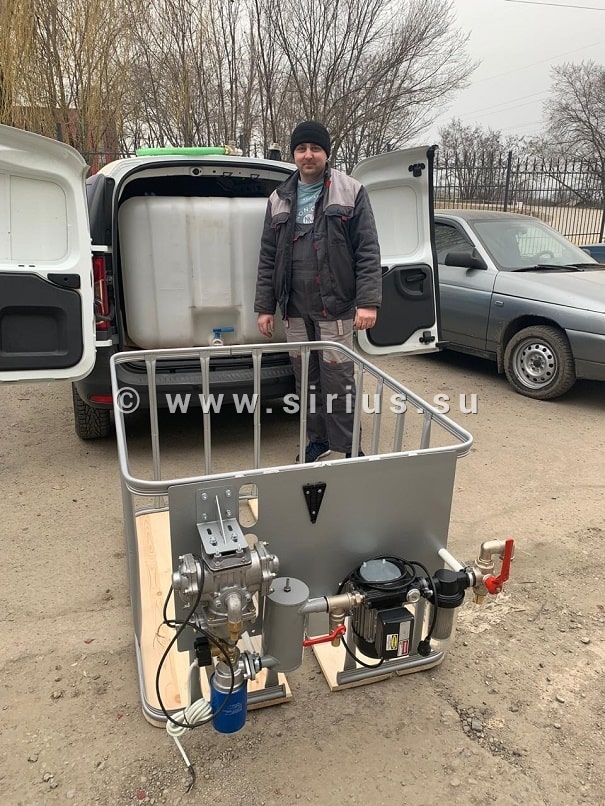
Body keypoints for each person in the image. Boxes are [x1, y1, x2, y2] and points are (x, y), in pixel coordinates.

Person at [254, 120, 382, 462]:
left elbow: (368, 249)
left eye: (315, 148)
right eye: (301, 149)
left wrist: (368, 302)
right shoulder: (278, 198)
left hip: (335, 305)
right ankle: (317, 440)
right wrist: (265, 307)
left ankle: (348, 447)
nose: (308, 155)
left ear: (326, 153)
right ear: (293, 154)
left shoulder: (350, 190)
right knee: (306, 379)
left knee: (337, 378)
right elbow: (268, 257)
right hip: (294, 308)